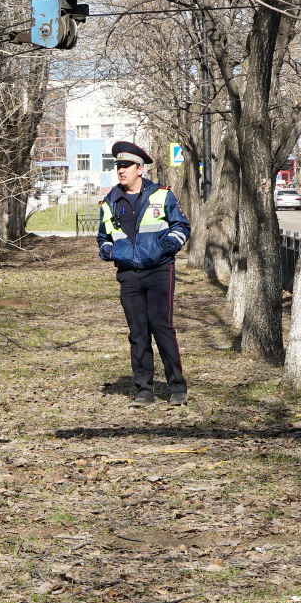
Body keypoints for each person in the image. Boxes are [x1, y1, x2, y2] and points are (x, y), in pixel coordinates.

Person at [97, 141, 191, 406]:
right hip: (128, 275)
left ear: (140, 169)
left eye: (126, 166)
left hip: (160, 270)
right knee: (137, 333)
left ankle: (177, 388)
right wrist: (111, 252)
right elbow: (102, 238)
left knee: (161, 327)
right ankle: (144, 391)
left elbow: (182, 227)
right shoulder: (109, 202)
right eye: (118, 166)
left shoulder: (161, 195)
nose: (121, 170)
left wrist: (165, 247)